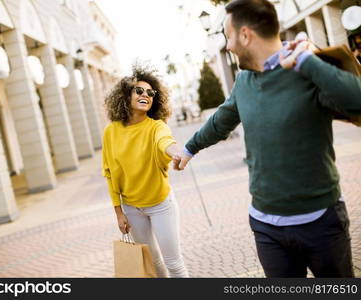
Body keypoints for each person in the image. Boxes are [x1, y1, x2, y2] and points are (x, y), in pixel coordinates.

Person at [174, 0, 361, 278]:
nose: (227, 45)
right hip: (266, 227)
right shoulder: (244, 81)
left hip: (321, 221)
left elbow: (356, 100)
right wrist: (190, 148)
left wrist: (309, 61)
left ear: (246, 34)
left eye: (228, 35)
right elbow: (221, 120)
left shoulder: (307, 67)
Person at [102, 65, 189, 278]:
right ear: (125, 96)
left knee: (173, 263)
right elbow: (109, 173)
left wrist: (177, 152)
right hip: (131, 208)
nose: (146, 95)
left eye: (151, 93)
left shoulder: (156, 126)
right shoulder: (111, 131)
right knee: (153, 262)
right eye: (139, 91)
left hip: (161, 205)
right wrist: (119, 212)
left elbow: (165, 142)